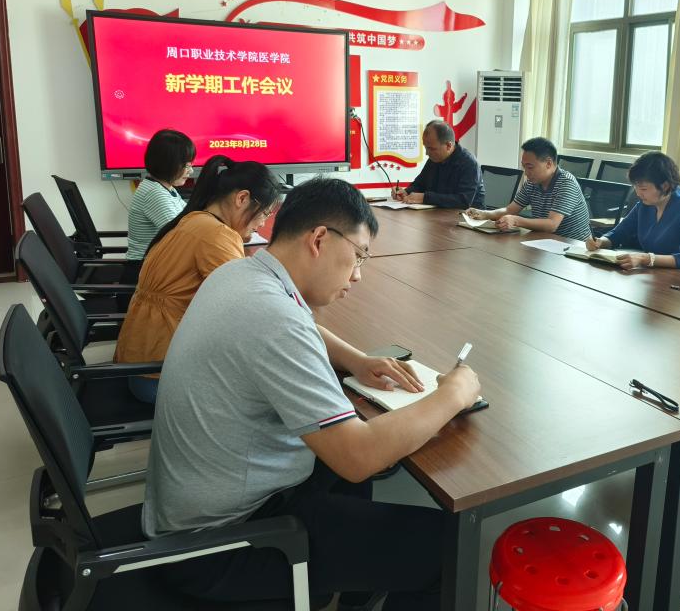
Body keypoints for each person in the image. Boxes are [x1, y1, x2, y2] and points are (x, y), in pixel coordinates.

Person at [143, 177, 481, 610]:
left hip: (206, 503)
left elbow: (302, 325)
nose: (358, 275)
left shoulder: (243, 272)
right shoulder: (273, 318)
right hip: (219, 546)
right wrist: (454, 394)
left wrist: (357, 360)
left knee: (355, 465)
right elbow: (356, 456)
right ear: (319, 239)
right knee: (448, 549)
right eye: (358, 256)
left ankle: (358, 588)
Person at [113, 155, 282, 403]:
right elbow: (248, 310)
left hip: (143, 361)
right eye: (264, 213)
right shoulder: (216, 235)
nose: (263, 223)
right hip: (160, 375)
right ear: (242, 199)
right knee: (269, 394)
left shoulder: (195, 220)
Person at [585, 151, 680, 271]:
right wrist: (600, 242)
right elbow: (618, 233)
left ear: (665, 186)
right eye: (635, 187)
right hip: (653, 274)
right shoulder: (645, 205)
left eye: (643, 189)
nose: (638, 193)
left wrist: (645, 258)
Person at [466, 136, 592, 241]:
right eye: (524, 167)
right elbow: (510, 210)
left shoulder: (566, 183)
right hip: (546, 242)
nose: (526, 173)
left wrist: (516, 221)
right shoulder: (532, 183)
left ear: (548, 163)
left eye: (530, 167)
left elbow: (552, 224)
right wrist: (484, 214)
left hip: (573, 248)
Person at [125, 129, 195, 262]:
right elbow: (181, 235)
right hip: (145, 268)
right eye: (186, 165)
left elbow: (189, 218)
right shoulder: (154, 192)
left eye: (191, 164)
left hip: (158, 263)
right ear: (168, 164)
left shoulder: (166, 188)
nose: (191, 171)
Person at [391, 120, 485, 208]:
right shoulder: (434, 159)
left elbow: (464, 201)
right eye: (425, 147)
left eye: (431, 149)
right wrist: (406, 192)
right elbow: (419, 184)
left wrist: (425, 198)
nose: (427, 153)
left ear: (448, 146)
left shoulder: (469, 163)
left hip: (467, 217)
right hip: (438, 214)